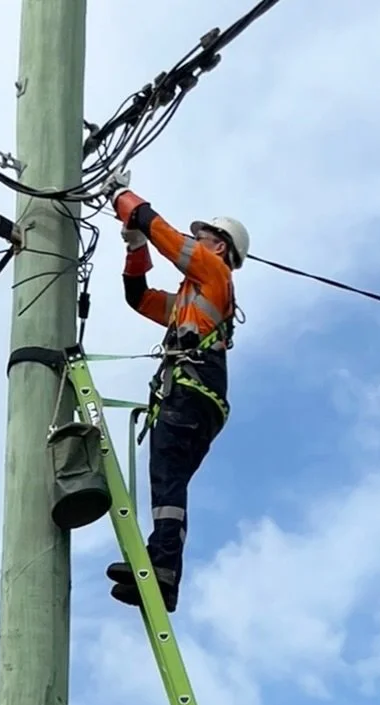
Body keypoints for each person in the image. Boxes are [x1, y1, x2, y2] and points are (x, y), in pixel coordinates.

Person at [106, 183, 250, 612]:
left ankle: (163, 566)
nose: (196, 242)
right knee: (168, 483)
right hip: (197, 398)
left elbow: (169, 239)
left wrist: (127, 202)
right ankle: (162, 571)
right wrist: (134, 248)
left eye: (203, 236)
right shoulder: (191, 298)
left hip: (192, 391)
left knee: (167, 476)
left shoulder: (215, 274)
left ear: (219, 247)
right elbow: (139, 298)